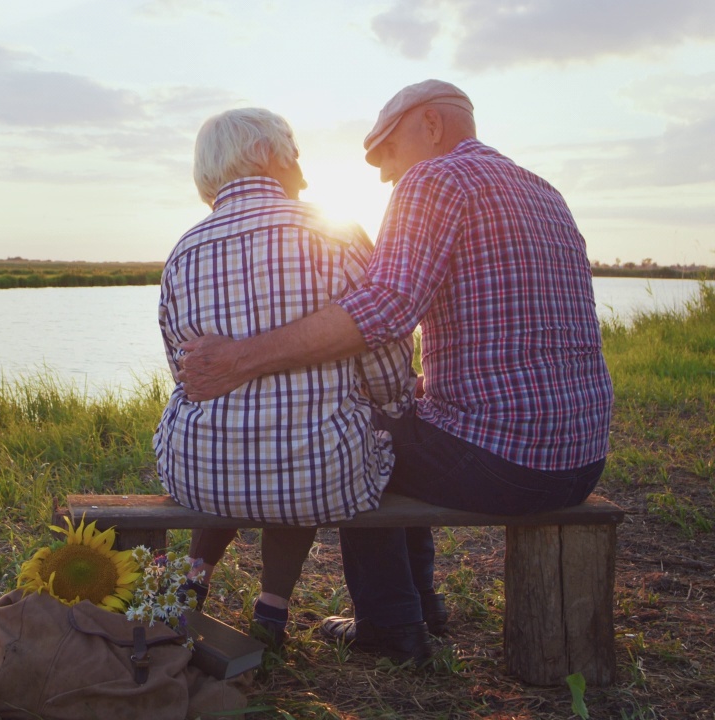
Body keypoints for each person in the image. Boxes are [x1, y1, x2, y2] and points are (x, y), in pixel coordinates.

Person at [175, 80, 614, 663]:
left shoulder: (435, 177)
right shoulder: (542, 189)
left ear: (430, 125)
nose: (384, 172)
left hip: (507, 461)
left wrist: (242, 359)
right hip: (579, 459)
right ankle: (424, 603)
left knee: (365, 440)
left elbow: (386, 307)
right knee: (405, 420)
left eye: (386, 149)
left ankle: (390, 626)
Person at [154, 107, 415, 647]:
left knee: (245, 431)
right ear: (269, 155)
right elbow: (383, 349)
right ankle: (272, 609)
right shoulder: (334, 235)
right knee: (305, 436)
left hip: (196, 468)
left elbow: (184, 370)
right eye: (293, 149)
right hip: (316, 473)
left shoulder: (184, 251)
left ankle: (191, 582)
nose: (302, 163)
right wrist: (392, 404)